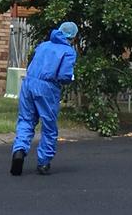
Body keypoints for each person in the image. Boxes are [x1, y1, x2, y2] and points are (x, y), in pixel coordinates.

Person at [10, 21, 78, 176]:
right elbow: (64, 75)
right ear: (73, 37)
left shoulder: (43, 45)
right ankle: (44, 162)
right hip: (47, 88)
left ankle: (19, 150)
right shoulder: (68, 52)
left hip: (28, 83)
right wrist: (69, 79)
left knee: (26, 120)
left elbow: (32, 64)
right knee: (48, 124)